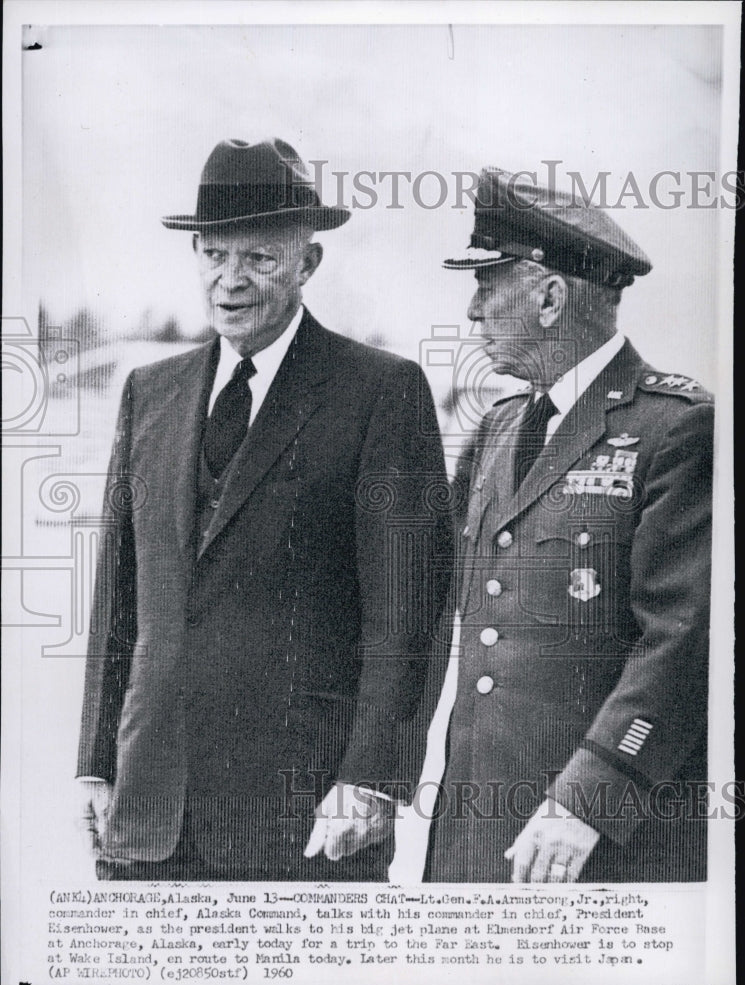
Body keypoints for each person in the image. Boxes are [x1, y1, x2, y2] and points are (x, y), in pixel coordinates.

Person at [76, 138, 452, 881]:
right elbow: (118, 597)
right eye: (214, 255)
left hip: (304, 816)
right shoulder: (149, 393)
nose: (231, 280)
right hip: (147, 811)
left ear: (308, 262)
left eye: (259, 258)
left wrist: (373, 778)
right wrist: (94, 760)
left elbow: (409, 612)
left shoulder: (381, 392)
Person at [424, 167, 713, 883]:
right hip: (475, 830)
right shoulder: (497, 428)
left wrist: (589, 796)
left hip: (597, 840)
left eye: (486, 284)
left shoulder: (676, 428)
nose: (472, 310)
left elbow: (682, 637)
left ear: (550, 297)